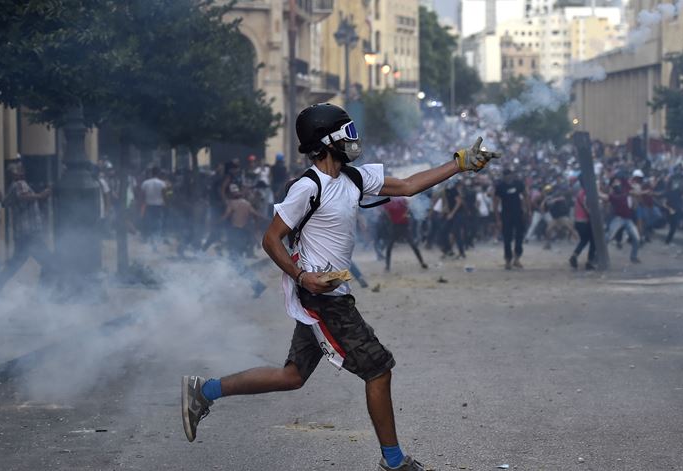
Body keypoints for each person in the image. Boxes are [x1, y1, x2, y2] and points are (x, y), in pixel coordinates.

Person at [180, 103, 499, 471]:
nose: (354, 139)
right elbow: (271, 239)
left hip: (331, 293)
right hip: (322, 299)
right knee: (378, 368)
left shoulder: (354, 178)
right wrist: (302, 278)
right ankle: (394, 461)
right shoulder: (307, 187)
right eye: (347, 132)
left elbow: (409, 185)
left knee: (292, 375)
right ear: (326, 141)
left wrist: (459, 163)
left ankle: (203, 391)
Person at [0, 163, 52, 292]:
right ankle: (42, 293)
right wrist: (41, 196)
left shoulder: (13, 186)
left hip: (23, 233)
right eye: (18, 170)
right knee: (50, 263)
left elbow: (4, 203)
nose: (21, 172)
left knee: (14, 264)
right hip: (30, 233)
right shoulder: (20, 184)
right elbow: (23, 197)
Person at [223, 183, 267, 296]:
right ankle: (256, 285)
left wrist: (215, 223)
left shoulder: (232, 203)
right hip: (243, 235)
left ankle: (257, 285)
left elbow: (225, 216)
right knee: (236, 262)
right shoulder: (246, 203)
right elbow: (257, 215)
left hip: (235, 234)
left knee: (236, 262)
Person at [494, 168, 528, 269]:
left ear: (512, 175)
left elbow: (526, 196)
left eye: (509, 175)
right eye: (506, 175)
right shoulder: (500, 186)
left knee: (519, 237)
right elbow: (495, 203)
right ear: (504, 176)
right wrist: (498, 219)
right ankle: (508, 260)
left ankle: (517, 258)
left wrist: (527, 210)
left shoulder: (519, 184)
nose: (508, 177)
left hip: (518, 214)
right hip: (506, 215)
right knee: (507, 238)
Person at [383, 197, 428, 272]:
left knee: (413, 244)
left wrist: (406, 213)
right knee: (389, 246)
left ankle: (422, 262)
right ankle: (387, 266)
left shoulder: (402, 200)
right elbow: (386, 212)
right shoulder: (388, 202)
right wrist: (393, 219)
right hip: (395, 226)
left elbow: (409, 208)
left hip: (404, 226)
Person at [605, 179, 641, 263]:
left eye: (618, 182)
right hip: (619, 218)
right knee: (608, 237)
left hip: (628, 219)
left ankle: (633, 257)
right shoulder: (614, 195)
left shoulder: (625, 190)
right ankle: (599, 254)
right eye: (615, 183)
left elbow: (636, 192)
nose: (617, 184)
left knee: (637, 238)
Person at [569, 178, 596, 270]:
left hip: (578, 221)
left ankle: (574, 256)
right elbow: (588, 208)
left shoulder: (580, 193)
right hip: (585, 221)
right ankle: (589, 262)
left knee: (584, 240)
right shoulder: (586, 193)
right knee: (593, 241)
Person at [141, 167, 167, 250]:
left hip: (149, 205)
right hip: (159, 206)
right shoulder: (162, 183)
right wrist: (166, 203)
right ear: (158, 173)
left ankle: (151, 240)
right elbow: (164, 195)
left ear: (151, 173)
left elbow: (142, 195)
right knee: (158, 224)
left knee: (150, 223)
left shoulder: (145, 183)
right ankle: (155, 241)